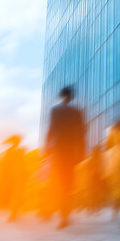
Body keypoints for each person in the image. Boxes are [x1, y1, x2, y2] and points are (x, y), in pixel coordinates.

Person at [44, 86, 86, 229]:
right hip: (70, 152)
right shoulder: (77, 112)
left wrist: (46, 149)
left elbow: (51, 129)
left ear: (62, 96)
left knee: (59, 183)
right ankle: (65, 214)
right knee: (68, 184)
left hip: (58, 151)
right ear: (71, 97)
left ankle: (63, 214)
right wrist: (81, 153)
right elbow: (81, 134)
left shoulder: (55, 110)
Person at [0, 135, 29, 222]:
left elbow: (6, 165)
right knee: (16, 194)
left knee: (16, 194)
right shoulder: (18, 151)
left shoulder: (12, 152)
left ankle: (14, 212)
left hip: (15, 176)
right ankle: (14, 212)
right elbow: (7, 165)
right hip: (15, 176)